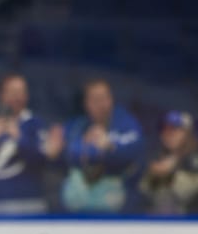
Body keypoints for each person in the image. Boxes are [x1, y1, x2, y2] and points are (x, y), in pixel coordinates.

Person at [0, 73, 61, 215]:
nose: (17, 97)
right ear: (1, 96)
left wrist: (18, 137)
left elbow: (41, 161)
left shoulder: (35, 124)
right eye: (12, 92)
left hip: (28, 203)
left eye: (21, 92)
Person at [60, 78, 142, 214]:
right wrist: (87, 146)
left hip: (118, 209)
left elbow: (134, 150)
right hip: (78, 212)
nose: (101, 105)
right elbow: (63, 153)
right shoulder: (77, 126)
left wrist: (109, 146)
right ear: (86, 104)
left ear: (111, 100)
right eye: (95, 100)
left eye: (105, 98)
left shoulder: (125, 123)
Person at [138, 111, 198, 215]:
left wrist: (169, 173)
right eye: (164, 130)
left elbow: (185, 193)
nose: (168, 134)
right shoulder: (157, 155)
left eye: (174, 130)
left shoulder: (196, 159)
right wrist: (154, 175)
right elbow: (143, 188)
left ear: (187, 134)